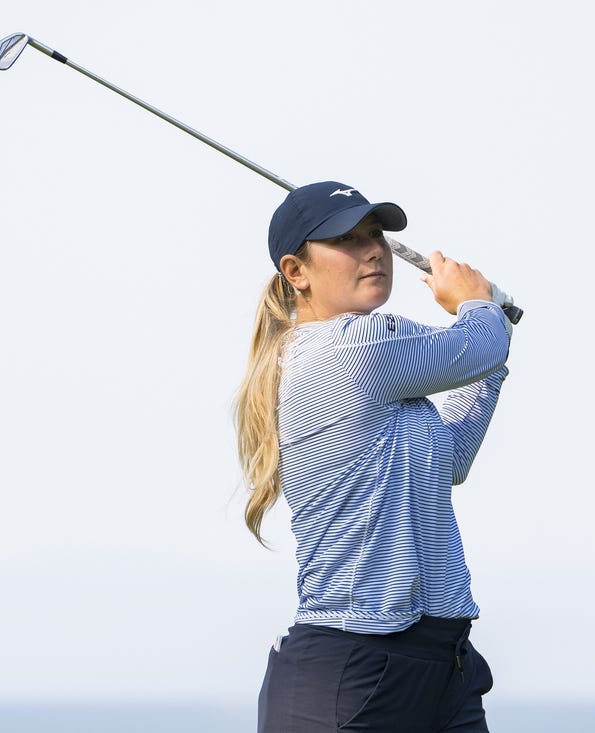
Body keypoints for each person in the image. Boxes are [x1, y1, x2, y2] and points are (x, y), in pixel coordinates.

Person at [234, 181, 512, 733]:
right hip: (353, 673)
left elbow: (450, 458)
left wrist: (494, 337)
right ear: (296, 271)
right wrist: (479, 304)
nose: (372, 251)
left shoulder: (374, 360)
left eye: (376, 236)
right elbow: (476, 346)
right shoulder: (354, 347)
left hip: (441, 665)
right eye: (347, 239)